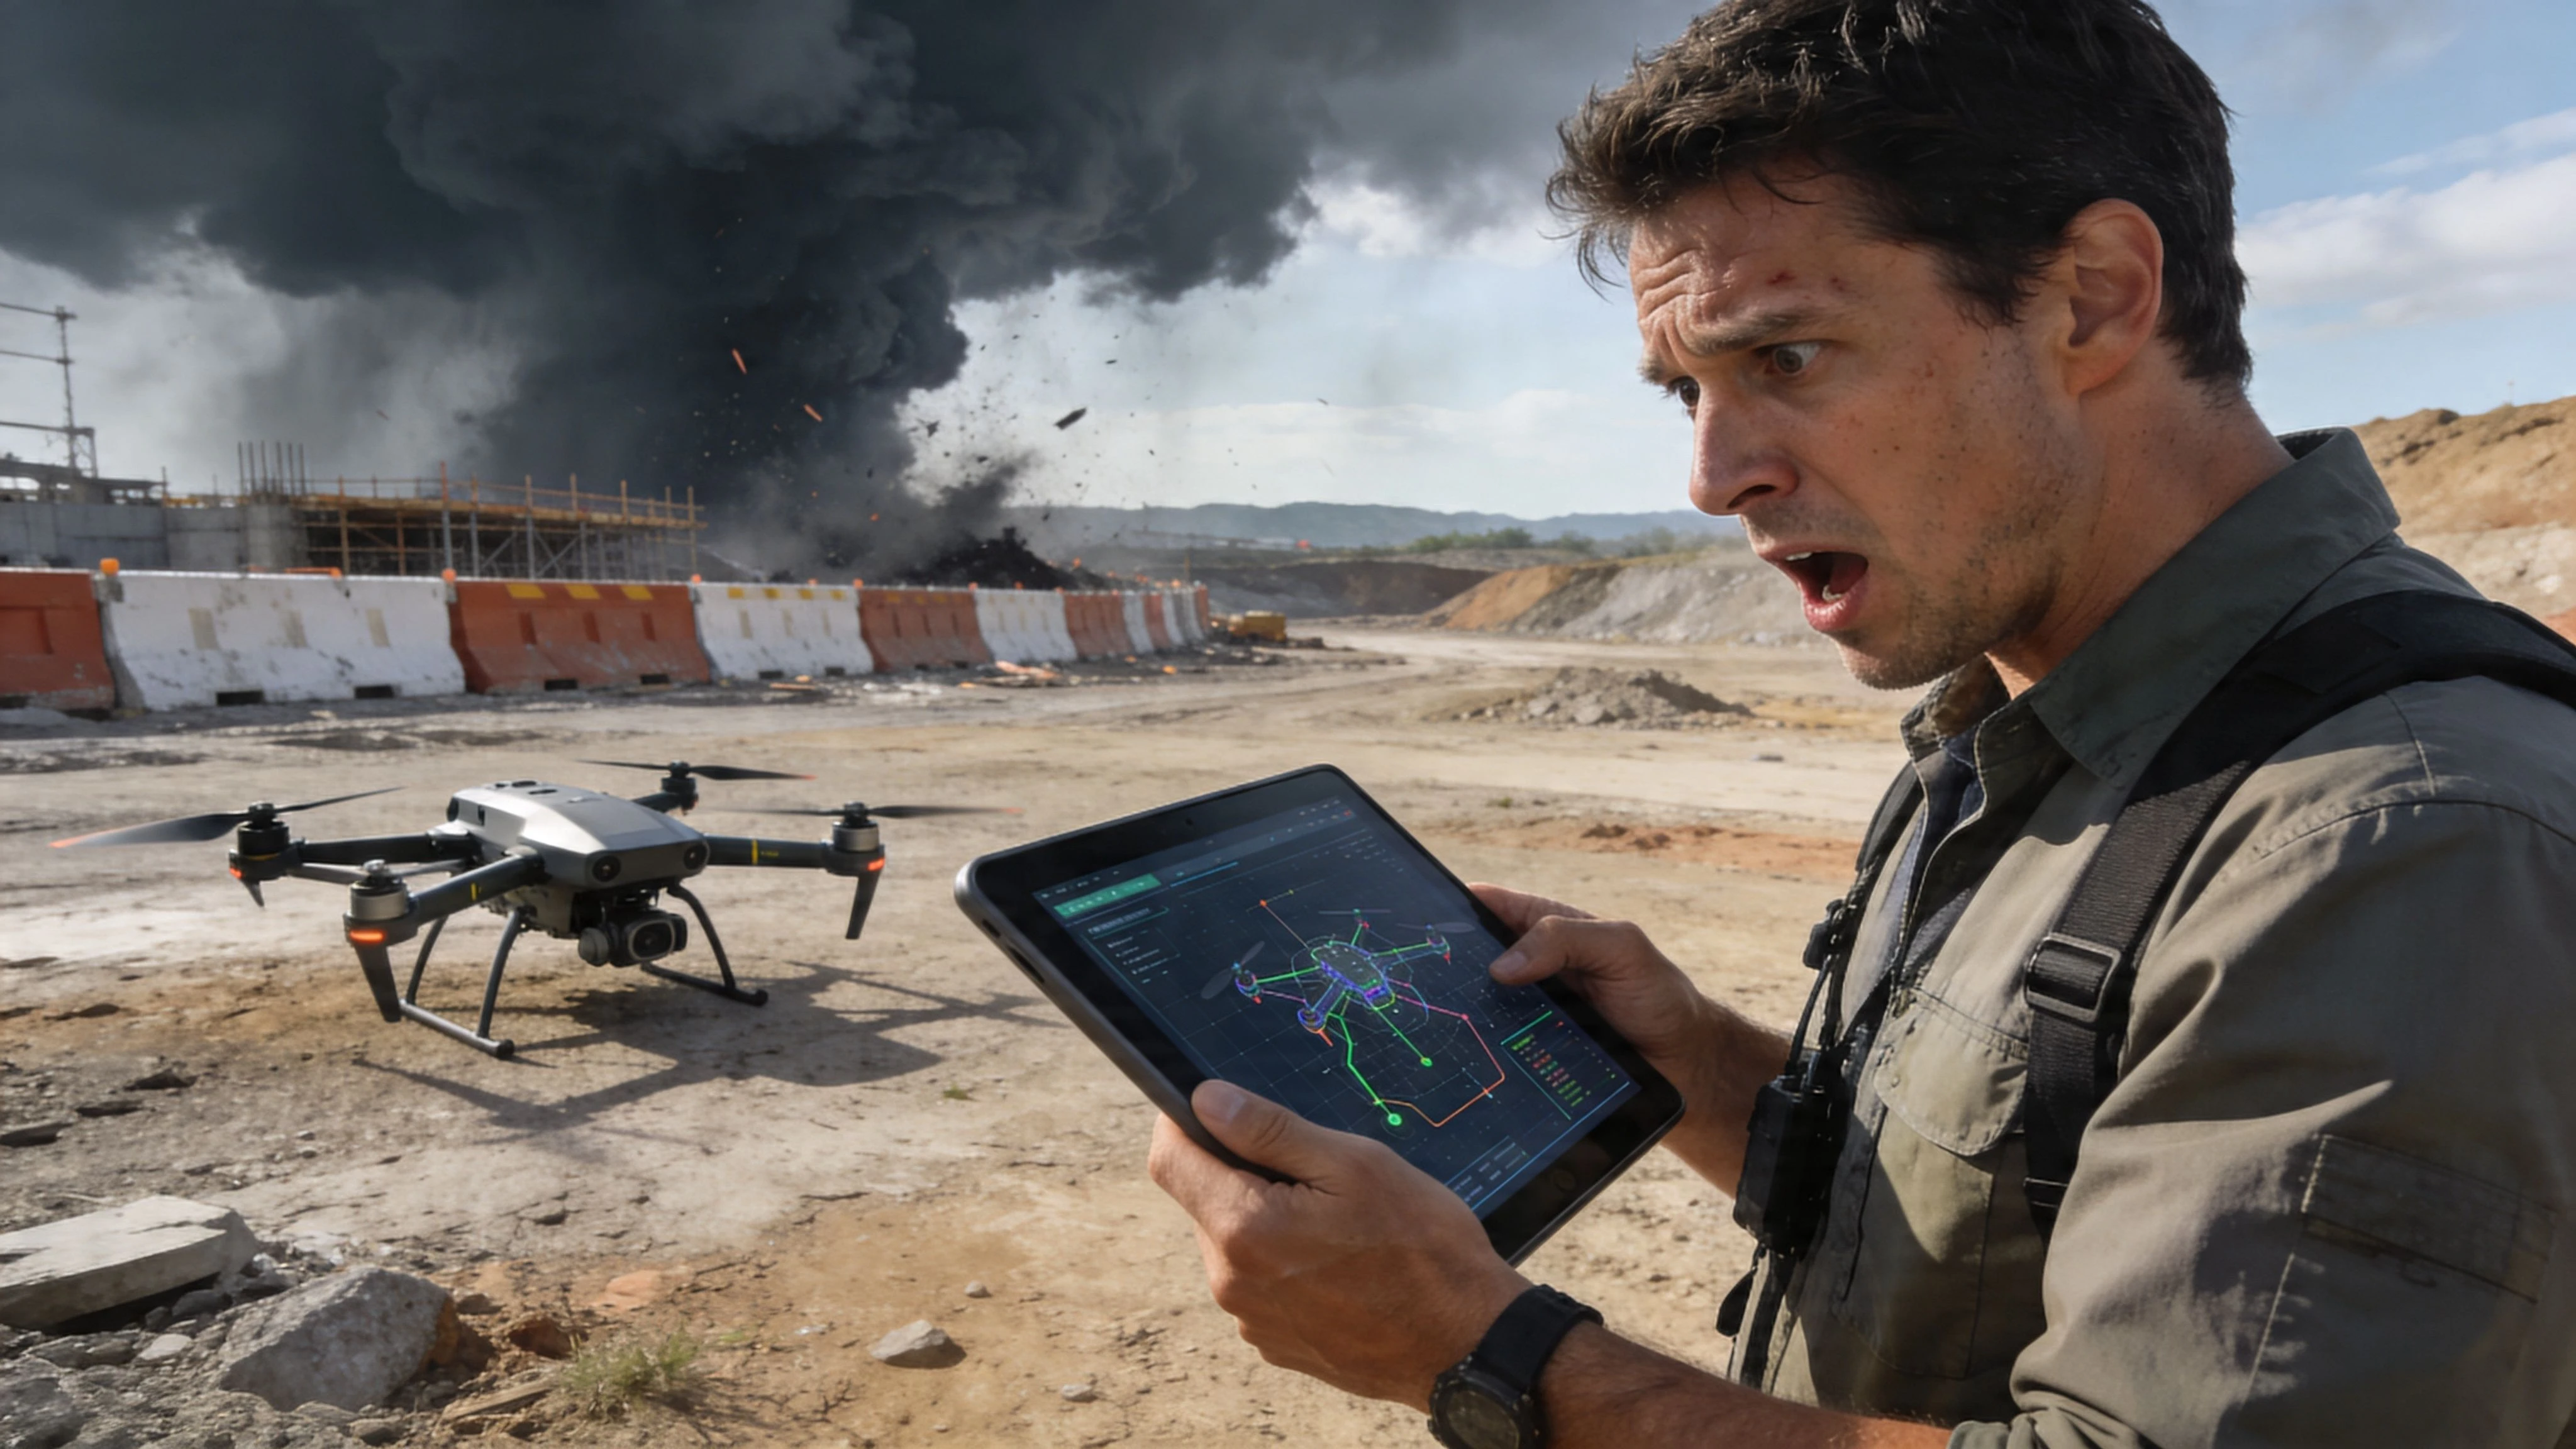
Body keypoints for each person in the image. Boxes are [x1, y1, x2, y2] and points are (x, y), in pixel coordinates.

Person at [1148, 1, 2576, 1445]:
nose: (1712, 479)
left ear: (2089, 296)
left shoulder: (2400, 838)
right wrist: (1698, 1063)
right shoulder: (2026, 710)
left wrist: (1498, 1362)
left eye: (1785, 359)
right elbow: (2017, 1186)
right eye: (1684, 390)